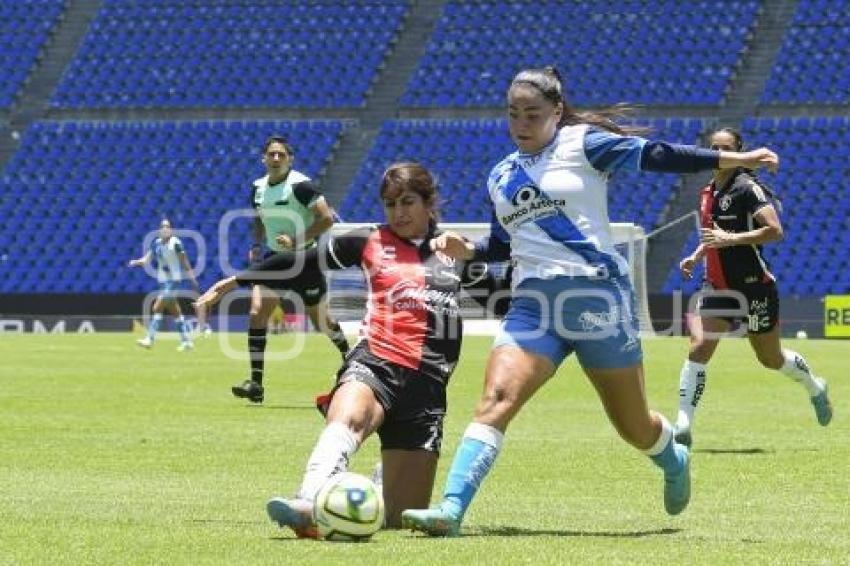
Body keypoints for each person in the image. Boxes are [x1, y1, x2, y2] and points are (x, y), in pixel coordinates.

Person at [401, 66, 783, 537]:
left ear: (556, 112)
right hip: (533, 306)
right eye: (513, 114)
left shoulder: (584, 144)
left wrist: (732, 159)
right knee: (497, 398)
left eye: (532, 113)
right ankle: (451, 510)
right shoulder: (501, 174)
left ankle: (672, 456)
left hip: (598, 299)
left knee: (634, 427)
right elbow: (505, 243)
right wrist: (471, 250)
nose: (520, 123)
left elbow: (659, 155)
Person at [196, 163, 499, 535]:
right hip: (378, 360)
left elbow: (502, 304)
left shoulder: (454, 252)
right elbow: (303, 262)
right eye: (390, 204)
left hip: (429, 386)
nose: (399, 212)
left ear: (428, 202)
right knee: (348, 417)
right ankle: (307, 503)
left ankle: (367, 485)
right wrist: (234, 281)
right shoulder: (369, 241)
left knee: (398, 519)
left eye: (407, 202)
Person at [673, 127, 832, 447]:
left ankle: (815, 387)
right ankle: (682, 425)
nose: (719, 153)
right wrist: (696, 254)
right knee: (699, 348)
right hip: (717, 287)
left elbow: (775, 231)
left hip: (753, 287)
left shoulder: (748, 189)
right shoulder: (707, 192)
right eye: (715, 147)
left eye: (726, 147)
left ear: (738, 151)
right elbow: (712, 235)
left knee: (770, 358)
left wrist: (732, 239)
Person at [232, 135, 350, 404]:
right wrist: (257, 243)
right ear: (263, 158)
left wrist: (296, 239)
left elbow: (327, 219)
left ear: (290, 159)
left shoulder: (301, 186)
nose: (275, 159)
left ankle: (350, 356)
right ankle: (256, 384)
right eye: (271, 154)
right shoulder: (257, 188)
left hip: (304, 259)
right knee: (256, 313)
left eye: (281, 155)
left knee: (322, 322)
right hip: (275, 259)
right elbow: (260, 218)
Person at [128, 218, 198, 351]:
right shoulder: (156, 243)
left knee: (157, 307)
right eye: (163, 226)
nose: (165, 229)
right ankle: (187, 342)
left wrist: (191, 276)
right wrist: (137, 262)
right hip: (163, 281)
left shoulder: (176, 243)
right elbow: (146, 260)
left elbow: (184, 260)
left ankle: (150, 339)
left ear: (171, 229)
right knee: (175, 311)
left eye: (167, 226)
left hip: (174, 281)